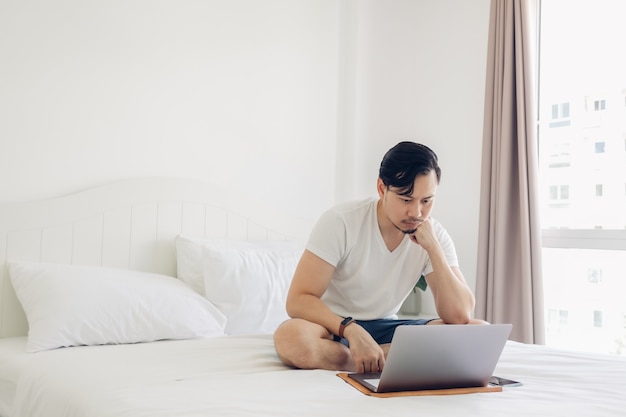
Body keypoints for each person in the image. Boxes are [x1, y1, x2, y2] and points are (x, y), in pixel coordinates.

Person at [273, 141, 485, 373]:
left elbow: (460, 315)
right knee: (290, 337)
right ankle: (380, 358)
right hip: (333, 327)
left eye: (427, 201)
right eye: (406, 199)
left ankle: (372, 358)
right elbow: (298, 299)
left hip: (386, 327)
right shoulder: (341, 222)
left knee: (478, 330)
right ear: (382, 188)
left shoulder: (434, 235)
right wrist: (350, 329)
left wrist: (433, 248)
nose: (416, 213)